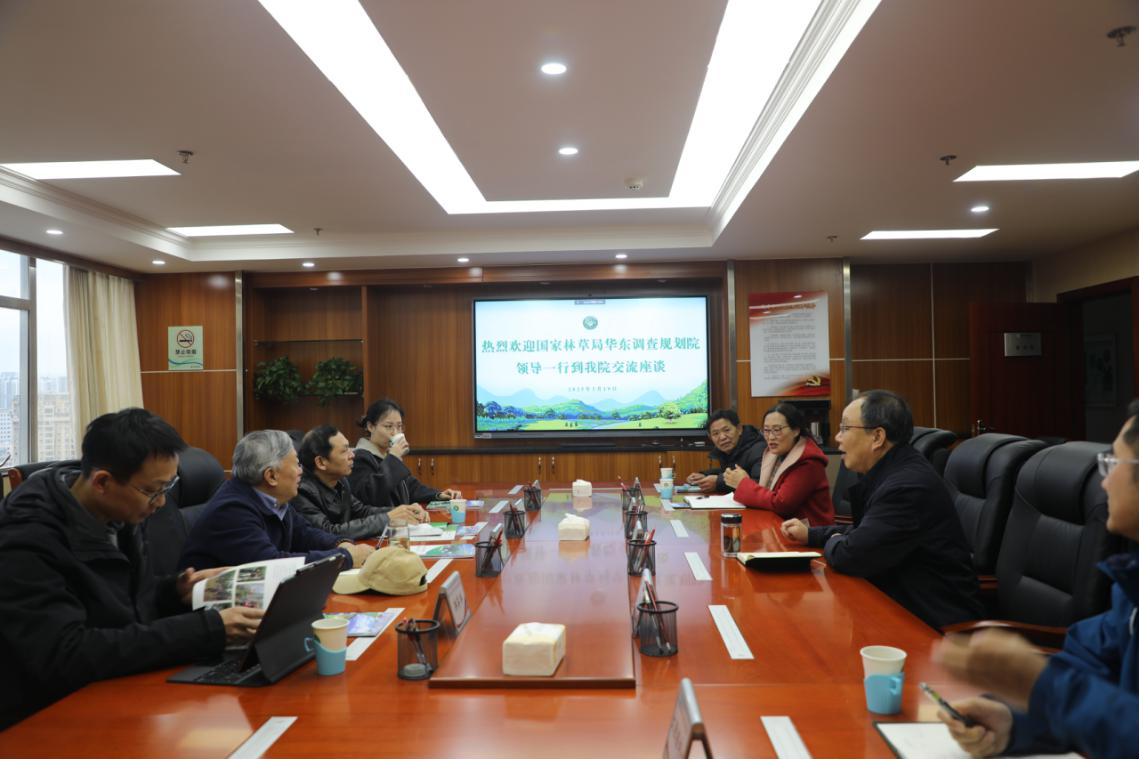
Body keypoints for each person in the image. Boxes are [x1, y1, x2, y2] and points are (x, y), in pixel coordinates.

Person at [0, 408, 263, 729]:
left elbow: (121, 605)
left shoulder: (119, 510)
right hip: (47, 717)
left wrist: (175, 592)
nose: (161, 503)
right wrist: (208, 630)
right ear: (102, 482)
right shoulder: (25, 538)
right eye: (153, 491)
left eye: (168, 488)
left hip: (118, 687)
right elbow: (65, 654)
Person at [933, 399, 1139, 759]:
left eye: (1113, 463)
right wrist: (1014, 721)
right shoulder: (1132, 584)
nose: (1105, 483)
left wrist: (1035, 682)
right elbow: (1088, 670)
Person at [780, 390, 982, 628]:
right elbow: (869, 532)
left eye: (845, 428)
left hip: (934, 624)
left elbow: (852, 556)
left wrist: (833, 540)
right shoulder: (892, 471)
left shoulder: (906, 488)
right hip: (898, 603)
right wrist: (813, 535)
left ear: (877, 437)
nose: (837, 437)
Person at [179, 430, 374, 571]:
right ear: (271, 476)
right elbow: (271, 565)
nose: (301, 471)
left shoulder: (272, 498)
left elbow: (304, 533)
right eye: (296, 464)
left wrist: (340, 544)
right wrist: (344, 557)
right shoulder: (232, 511)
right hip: (214, 611)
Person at [293, 425, 428, 539]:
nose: (352, 455)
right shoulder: (301, 491)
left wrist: (403, 511)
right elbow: (329, 532)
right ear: (321, 462)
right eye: (344, 451)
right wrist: (388, 518)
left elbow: (362, 511)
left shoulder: (341, 482)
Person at [723, 402, 834, 525]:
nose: (770, 437)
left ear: (796, 430)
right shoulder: (776, 454)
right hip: (781, 524)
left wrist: (743, 484)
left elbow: (781, 504)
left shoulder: (808, 461)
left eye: (777, 430)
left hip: (809, 530)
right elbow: (768, 493)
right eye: (766, 430)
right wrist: (745, 482)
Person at [349, 399, 460, 509]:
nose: (395, 432)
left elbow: (411, 487)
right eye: (388, 426)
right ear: (370, 427)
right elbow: (370, 495)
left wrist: (438, 495)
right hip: (384, 520)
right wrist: (393, 458)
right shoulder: (359, 457)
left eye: (399, 426)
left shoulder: (388, 455)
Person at [685, 408, 765, 494]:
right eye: (716, 433)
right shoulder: (729, 449)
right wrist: (704, 475)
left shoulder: (758, 449)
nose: (722, 437)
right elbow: (729, 470)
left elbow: (759, 484)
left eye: (727, 430)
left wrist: (718, 483)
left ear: (739, 429)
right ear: (710, 437)